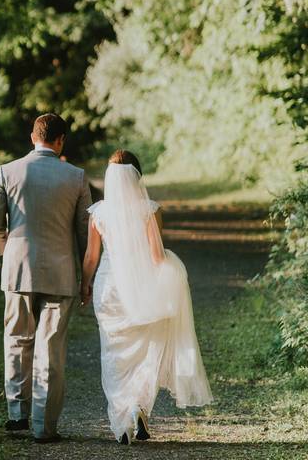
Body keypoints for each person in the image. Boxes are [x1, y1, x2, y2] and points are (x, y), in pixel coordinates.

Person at [80, 150, 213, 444]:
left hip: (109, 287)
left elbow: (91, 256)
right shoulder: (150, 209)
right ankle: (138, 408)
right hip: (141, 288)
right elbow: (155, 255)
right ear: (138, 177)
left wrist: (84, 286)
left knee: (114, 353)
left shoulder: (99, 212)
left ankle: (122, 422)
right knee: (144, 350)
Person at [0, 113, 92, 443]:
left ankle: (17, 416)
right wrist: (86, 277)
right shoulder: (76, 177)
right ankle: (44, 426)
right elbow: (85, 234)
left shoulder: (7, 171)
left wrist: (8, 251)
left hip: (17, 268)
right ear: (60, 141)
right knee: (51, 347)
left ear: (33, 137)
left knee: (17, 340)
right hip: (61, 272)